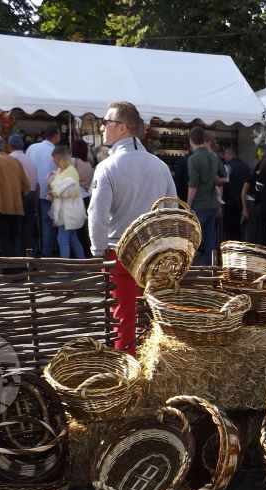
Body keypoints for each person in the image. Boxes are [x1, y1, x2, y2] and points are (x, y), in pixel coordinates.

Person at [88, 101, 176, 354]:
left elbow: (97, 214)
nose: (103, 127)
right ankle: (151, 367)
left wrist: (98, 250)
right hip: (154, 252)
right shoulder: (160, 166)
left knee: (124, 318)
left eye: (107, 122)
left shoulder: (108, 166)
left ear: (123, 128)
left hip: (121, 251)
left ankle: (128, 373)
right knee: (152, 314)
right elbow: (172, 211)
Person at [0, 134, 31, 262]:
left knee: (4, 241)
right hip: (16, 206)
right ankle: (16, 270)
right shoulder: (15, 161)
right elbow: (27, 185)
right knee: (12, 239)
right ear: (4, 146)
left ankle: (10, 272)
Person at [186, 126, 227, 264]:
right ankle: (211, 267)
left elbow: (193, 184)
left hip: (200, 203)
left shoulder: (193, 159)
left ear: (191, 140)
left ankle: (188, 266)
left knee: (192, 239)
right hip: (212, 203)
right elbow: (220, 179)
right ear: (204, 139)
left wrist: (188, 204)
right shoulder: (213, 156)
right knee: (210, 238)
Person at [27, 124, 61, 256]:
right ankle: (46, 253)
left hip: (31, 190)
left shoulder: (32, 147)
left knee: (32, 222)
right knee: (47, 224)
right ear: (56, 136)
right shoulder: (56, 151)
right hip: (48, 192)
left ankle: (34, 251)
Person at [47, 144, 86, 260]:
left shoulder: (70, 171)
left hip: (68, 212)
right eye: (54, 159)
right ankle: (83, 265)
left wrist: (55, 193)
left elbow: (72, 191)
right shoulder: (61, 170)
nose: (54, 162)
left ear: (62, 158)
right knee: (73, 240)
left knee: (62, 240)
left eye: (56, 159)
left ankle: (64, 270)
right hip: (65, 212)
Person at [241, 144, 266, 245]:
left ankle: (253, 251)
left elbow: (252, 188)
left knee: (254, 231)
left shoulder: (263, 167)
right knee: (265, 233)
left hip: (259, 202)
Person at [7, 134, 38, 257]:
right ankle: (30, 260)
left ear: (9, 146)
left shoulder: (9, 159)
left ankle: (19, 261)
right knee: (28, 230)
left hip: (17, 196)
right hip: (31, 194)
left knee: (16, 231)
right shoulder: (30, 160)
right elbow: (36, 184)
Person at [222, 146, 250, 242]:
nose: (225, 158)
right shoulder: (246, 167)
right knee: (240, 231)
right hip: (243, 202)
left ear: (229, 154)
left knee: (230, 231)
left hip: (230, 202)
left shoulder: (227, 167)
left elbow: (224, 184)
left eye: (225, 155)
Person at [71, 139, 95, 254]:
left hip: (74, 197)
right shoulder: (88, 165)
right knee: (83, 227)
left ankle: (77, 253)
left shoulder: (72, 161)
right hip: (86, 198)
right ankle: (86, 250)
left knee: (73, 227)